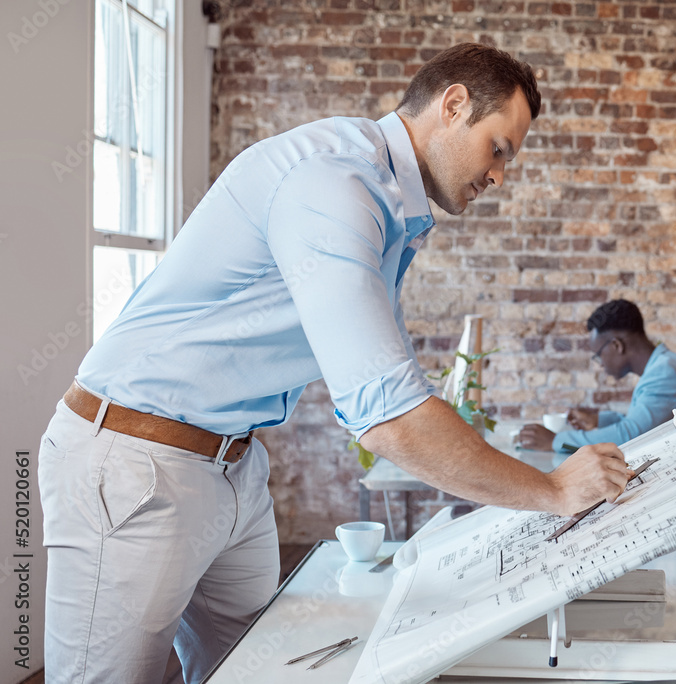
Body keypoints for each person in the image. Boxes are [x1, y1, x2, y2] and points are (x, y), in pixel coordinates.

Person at [38, 43, 633, 684]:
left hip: (233, 464)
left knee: (256, 671)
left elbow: (392, 378)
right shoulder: (335, 181)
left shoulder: (387, 205)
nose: (500, 175)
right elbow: (387, 419)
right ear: (453, 104)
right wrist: (551, 490)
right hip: (135, 459)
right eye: (500, 148)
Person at [518, 299, 676, 452]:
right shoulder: (665, 364)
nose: (599, 363)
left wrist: (555, 441)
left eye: (598, 355)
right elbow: (644, 423)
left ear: (617, 345)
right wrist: (598, 420)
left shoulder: (663, 373)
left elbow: (630, 437)